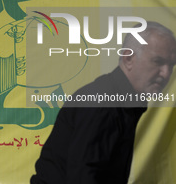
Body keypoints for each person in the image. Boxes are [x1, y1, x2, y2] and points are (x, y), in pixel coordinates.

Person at [30, 21, 176, 184]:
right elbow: (82, 177)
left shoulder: (121, 101)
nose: (166, 73)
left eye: (171, 65)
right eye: (158, 62)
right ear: (128, 58)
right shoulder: (103, 103)